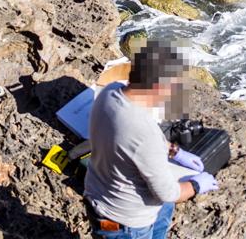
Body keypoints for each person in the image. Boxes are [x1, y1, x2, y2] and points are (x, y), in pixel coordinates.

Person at [84, 40, 219, 239]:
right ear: (157, 87)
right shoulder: (144, 133)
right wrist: (198, 185)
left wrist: (175, 151)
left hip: (98, 193)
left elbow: (133, 141)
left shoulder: (110, 92)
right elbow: (168, 193)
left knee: (163, 211)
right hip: (126, 223)